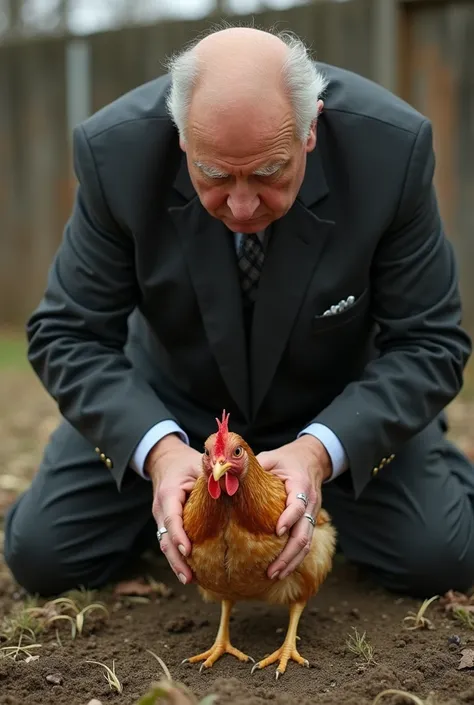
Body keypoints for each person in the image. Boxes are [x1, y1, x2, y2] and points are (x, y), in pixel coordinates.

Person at [3, 25, 474, 599]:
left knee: (440, 556)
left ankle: (385, 477)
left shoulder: (392, 151)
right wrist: (159, 452)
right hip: (172, 401)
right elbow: (67, 334)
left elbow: (429, 342)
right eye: (216, 175)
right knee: (44, 557)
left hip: (336, 403)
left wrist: (320, 451)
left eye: (269, 173)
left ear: (310, 130)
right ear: (182, 138)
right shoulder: (114, 154)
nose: (243, 204)